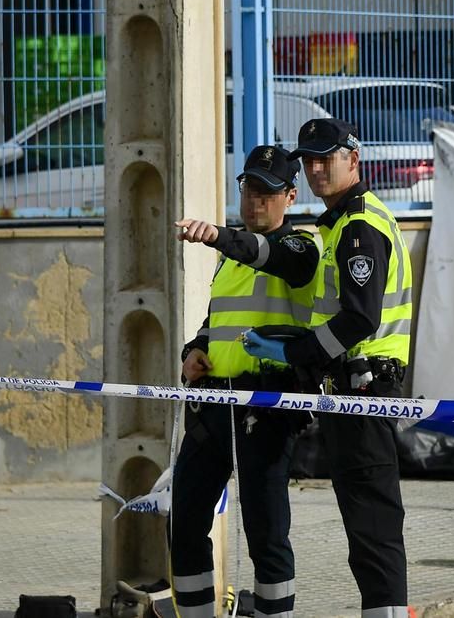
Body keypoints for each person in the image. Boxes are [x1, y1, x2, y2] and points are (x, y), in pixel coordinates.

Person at [241, 118, 414, 617]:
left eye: (326, 159)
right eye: (309, 161)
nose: (316, 169)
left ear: (353, 160)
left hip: (363, 390)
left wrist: (295, 355)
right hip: (346, 390)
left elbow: (360, 318)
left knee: (374, 530)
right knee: (365, 531)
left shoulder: (359, 226)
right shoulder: (337, 223)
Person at [169, 145, 318, 618]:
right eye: (248, 188)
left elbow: (267, 255)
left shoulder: (300, 248)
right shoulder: (229, 259)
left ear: (290, 196)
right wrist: (193, 352)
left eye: (267, 192)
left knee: (266, 532)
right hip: (215, 405)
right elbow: (217, 325)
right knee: (184, 519)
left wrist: (217, 235)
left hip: (266, 408)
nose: (255, 200)